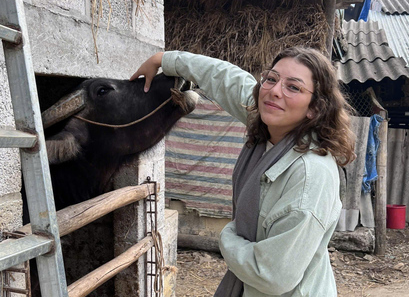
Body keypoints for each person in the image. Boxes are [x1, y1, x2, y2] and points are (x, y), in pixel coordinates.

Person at [131, 46, 355, 297]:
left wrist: (229, 237)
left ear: (315, 107)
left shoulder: (310, 176)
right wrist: (164, 59)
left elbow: (272, 276)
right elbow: (226, 78)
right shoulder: (269, 123)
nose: (275, 91)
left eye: (293, 87)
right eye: (271, 79)